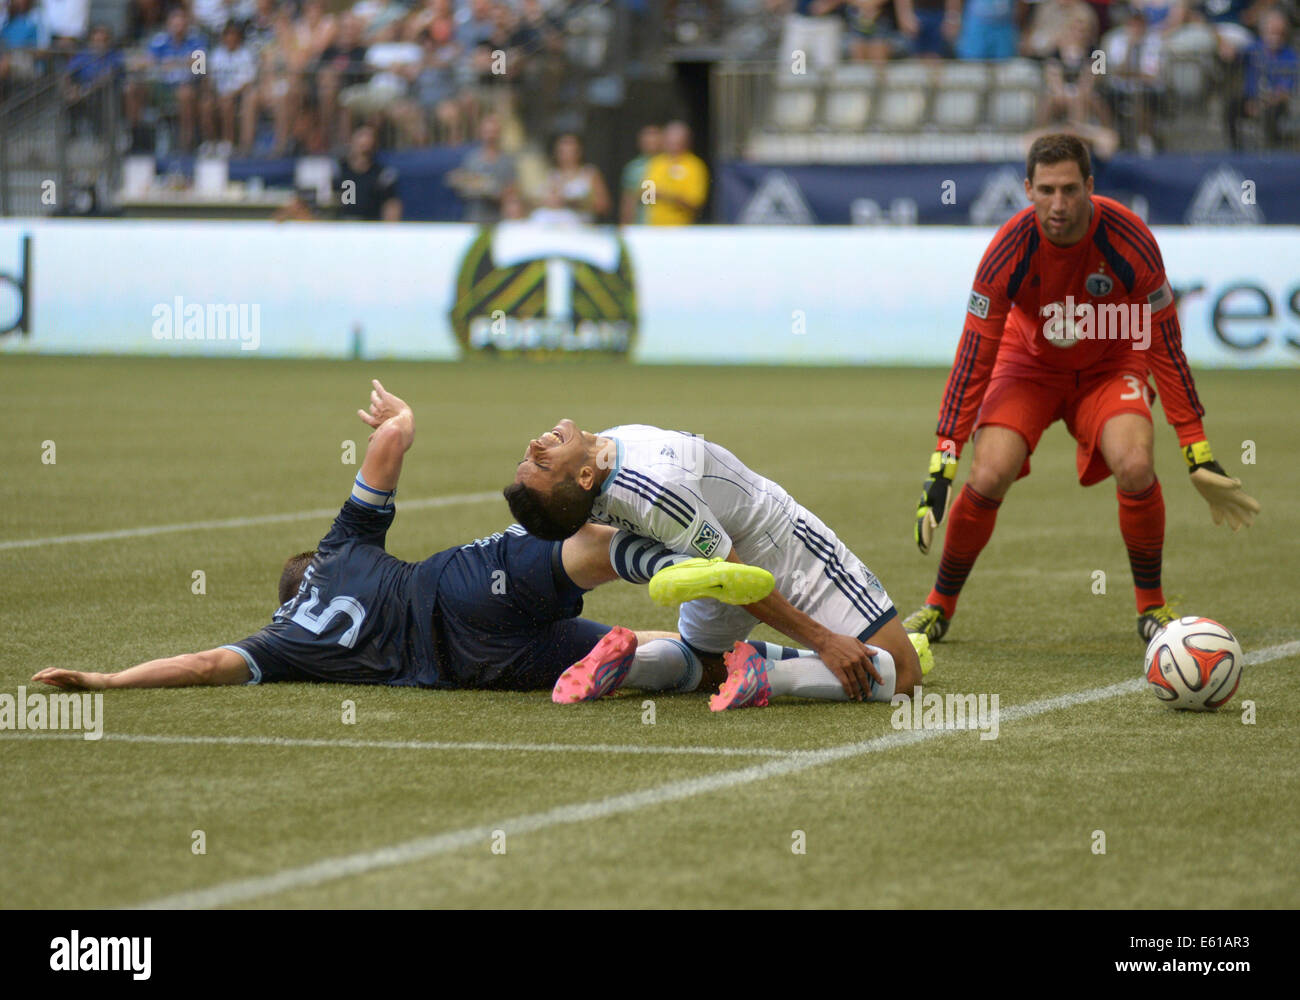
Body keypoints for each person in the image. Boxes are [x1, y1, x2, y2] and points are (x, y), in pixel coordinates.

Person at [32, 381, 771, 695]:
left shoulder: (282, 645)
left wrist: (107, 681)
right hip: (460, 588)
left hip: (472, 666)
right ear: (309, 567)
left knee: (653, 662)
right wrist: (400, 422)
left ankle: (693, 663)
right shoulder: (342, 551)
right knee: (598, 544)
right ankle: (683, 560)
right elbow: (386, 456)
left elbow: (201, 665)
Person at [902, 134, 1260, 647]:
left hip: (1112, 365)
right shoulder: (1007, 251)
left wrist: (1196, 449)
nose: (1059, 204)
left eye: (1070, 189)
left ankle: (1151, 608)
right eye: (1046, 190)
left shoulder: (1130, 241)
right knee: (989, 472)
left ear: (1090, 186)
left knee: (1135, 465)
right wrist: (943, 460)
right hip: (1027, 365)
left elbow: (1164, 344)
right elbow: (974, 357)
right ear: (1027, 189)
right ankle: (939, 608)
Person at [503, 421, 930, 712]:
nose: (537, 444)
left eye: (530, 455)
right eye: (541, 461)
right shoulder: (656, 486)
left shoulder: (599, 468)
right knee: (905, 673)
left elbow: (571, 523)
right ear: (581, 478)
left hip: (705, 557)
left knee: (707, 665)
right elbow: (738, 580)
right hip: (776, 543)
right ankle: (770, 673)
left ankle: (633, 665)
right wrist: (823, 641)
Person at [446, 112, 517, 224]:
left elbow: (510, 191)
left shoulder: (507, 161)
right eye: (487, 132)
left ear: (499, 133)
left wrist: (491, 189)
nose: (490, 136)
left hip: (497, 220)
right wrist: (481, 185)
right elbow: (462, 183)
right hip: (472, 218)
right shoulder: (471, 159)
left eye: (494, 132)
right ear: (481, 133)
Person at [642, 120, 709, 226]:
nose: (672, 145)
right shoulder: (656, 163)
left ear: (686, 142)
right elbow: (646, 196)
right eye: (669, 141)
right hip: (654, 227)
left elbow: (695, 203)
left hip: (683, 229)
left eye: (677, 142)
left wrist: (666, 196)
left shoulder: (695, 166)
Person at [337, 123, 402, 221]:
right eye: (361, 136)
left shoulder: (382, 175)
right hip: (341, 227)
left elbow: (391, 205)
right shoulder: (339, 170)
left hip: (371, 227)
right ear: (352, 141)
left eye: (370, 137)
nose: (365, 142)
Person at [619, 123, 662, 225]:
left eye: (654, 137)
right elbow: (628, 200)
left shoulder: (673, 164)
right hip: (642, 226)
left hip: (672, 228)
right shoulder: (634, 168)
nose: (650, 141)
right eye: (647, 138)